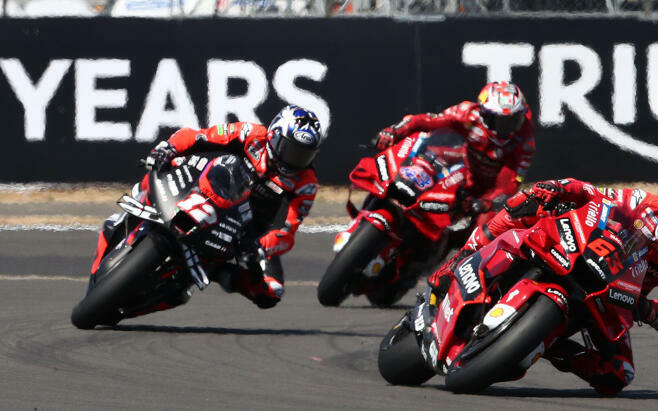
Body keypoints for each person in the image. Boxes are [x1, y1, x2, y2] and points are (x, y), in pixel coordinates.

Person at [428, 174, 658, 395]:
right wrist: (557, 189)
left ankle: (547, 346)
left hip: (613, 299)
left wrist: (652, 311)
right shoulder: (642, 202)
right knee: (522, 207)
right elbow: (590, 193)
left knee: (618, 375)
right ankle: (461, 259)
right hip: (574, 252)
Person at [90, 105, 325, 309]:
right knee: (162, 168)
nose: (294, 160)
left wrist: (259, 246)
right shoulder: (251, 133)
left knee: (270, 294)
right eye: (290, 149)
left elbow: (286, 231)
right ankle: (136, 209)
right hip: (212, 189)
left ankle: (208, 275)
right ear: (274, 136)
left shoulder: (306, 183)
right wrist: (169, 149)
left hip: (249, 229)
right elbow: (199, 137)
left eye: (303, 155)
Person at [372, 81, 534, 226]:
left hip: (486, 190)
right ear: (483, 113)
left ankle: (465, 256)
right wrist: (395, 131)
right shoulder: (467, 113)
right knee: (429, 153)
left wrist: (486, 203)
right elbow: (427, 120)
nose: (504, 130)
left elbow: (510, 182)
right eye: (498, 121)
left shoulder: (525, 140)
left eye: (513, 122)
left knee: (488, 221)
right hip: (460, 168)